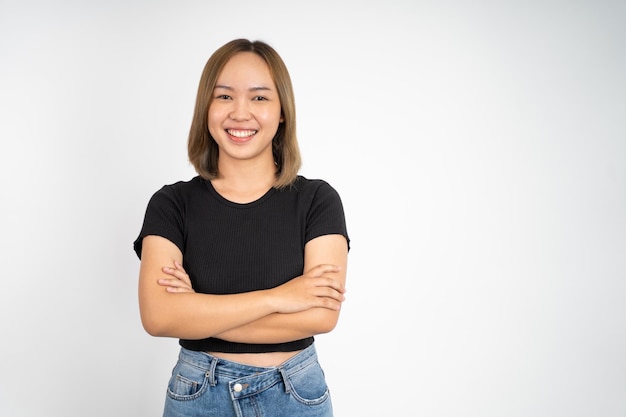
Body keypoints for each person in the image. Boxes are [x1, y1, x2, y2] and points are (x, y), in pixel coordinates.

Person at [133, 38, 350, 417]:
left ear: (283, 111)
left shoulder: (318, 200)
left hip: (294, 394)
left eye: (260, 98)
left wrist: (198, 312)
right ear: (206, 108)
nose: (240, 113)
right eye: (224, 97)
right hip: (198, 394)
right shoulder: (172, 204)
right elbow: (158, 316)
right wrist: (279, 298)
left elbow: (320, 316)